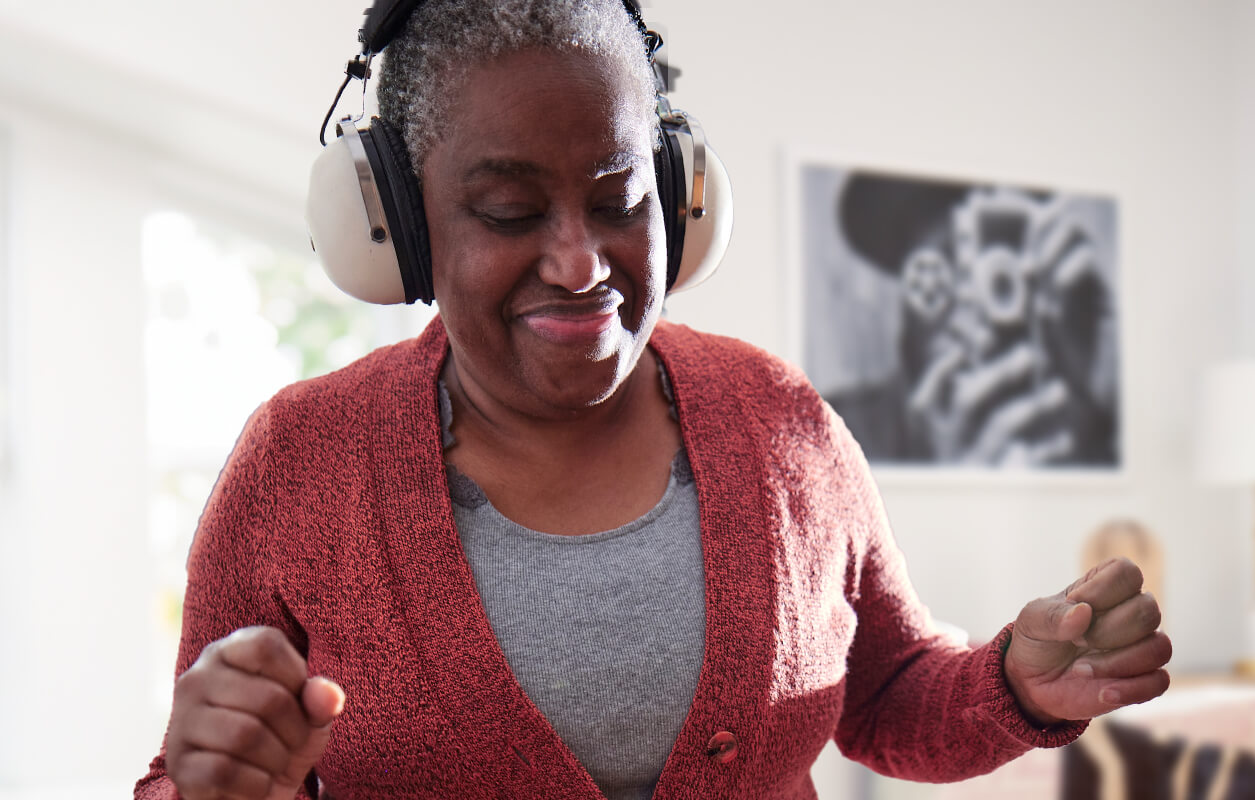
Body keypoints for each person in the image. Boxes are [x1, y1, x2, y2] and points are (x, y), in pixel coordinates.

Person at [134, 2, 1170, 798]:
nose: (581, 260)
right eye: (507, 209)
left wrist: (1016, 684)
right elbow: (192, 774)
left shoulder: (781, 419)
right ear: (399, 226)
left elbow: (888, 691)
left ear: (680, 195)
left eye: (622, 198)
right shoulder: (299, 464)